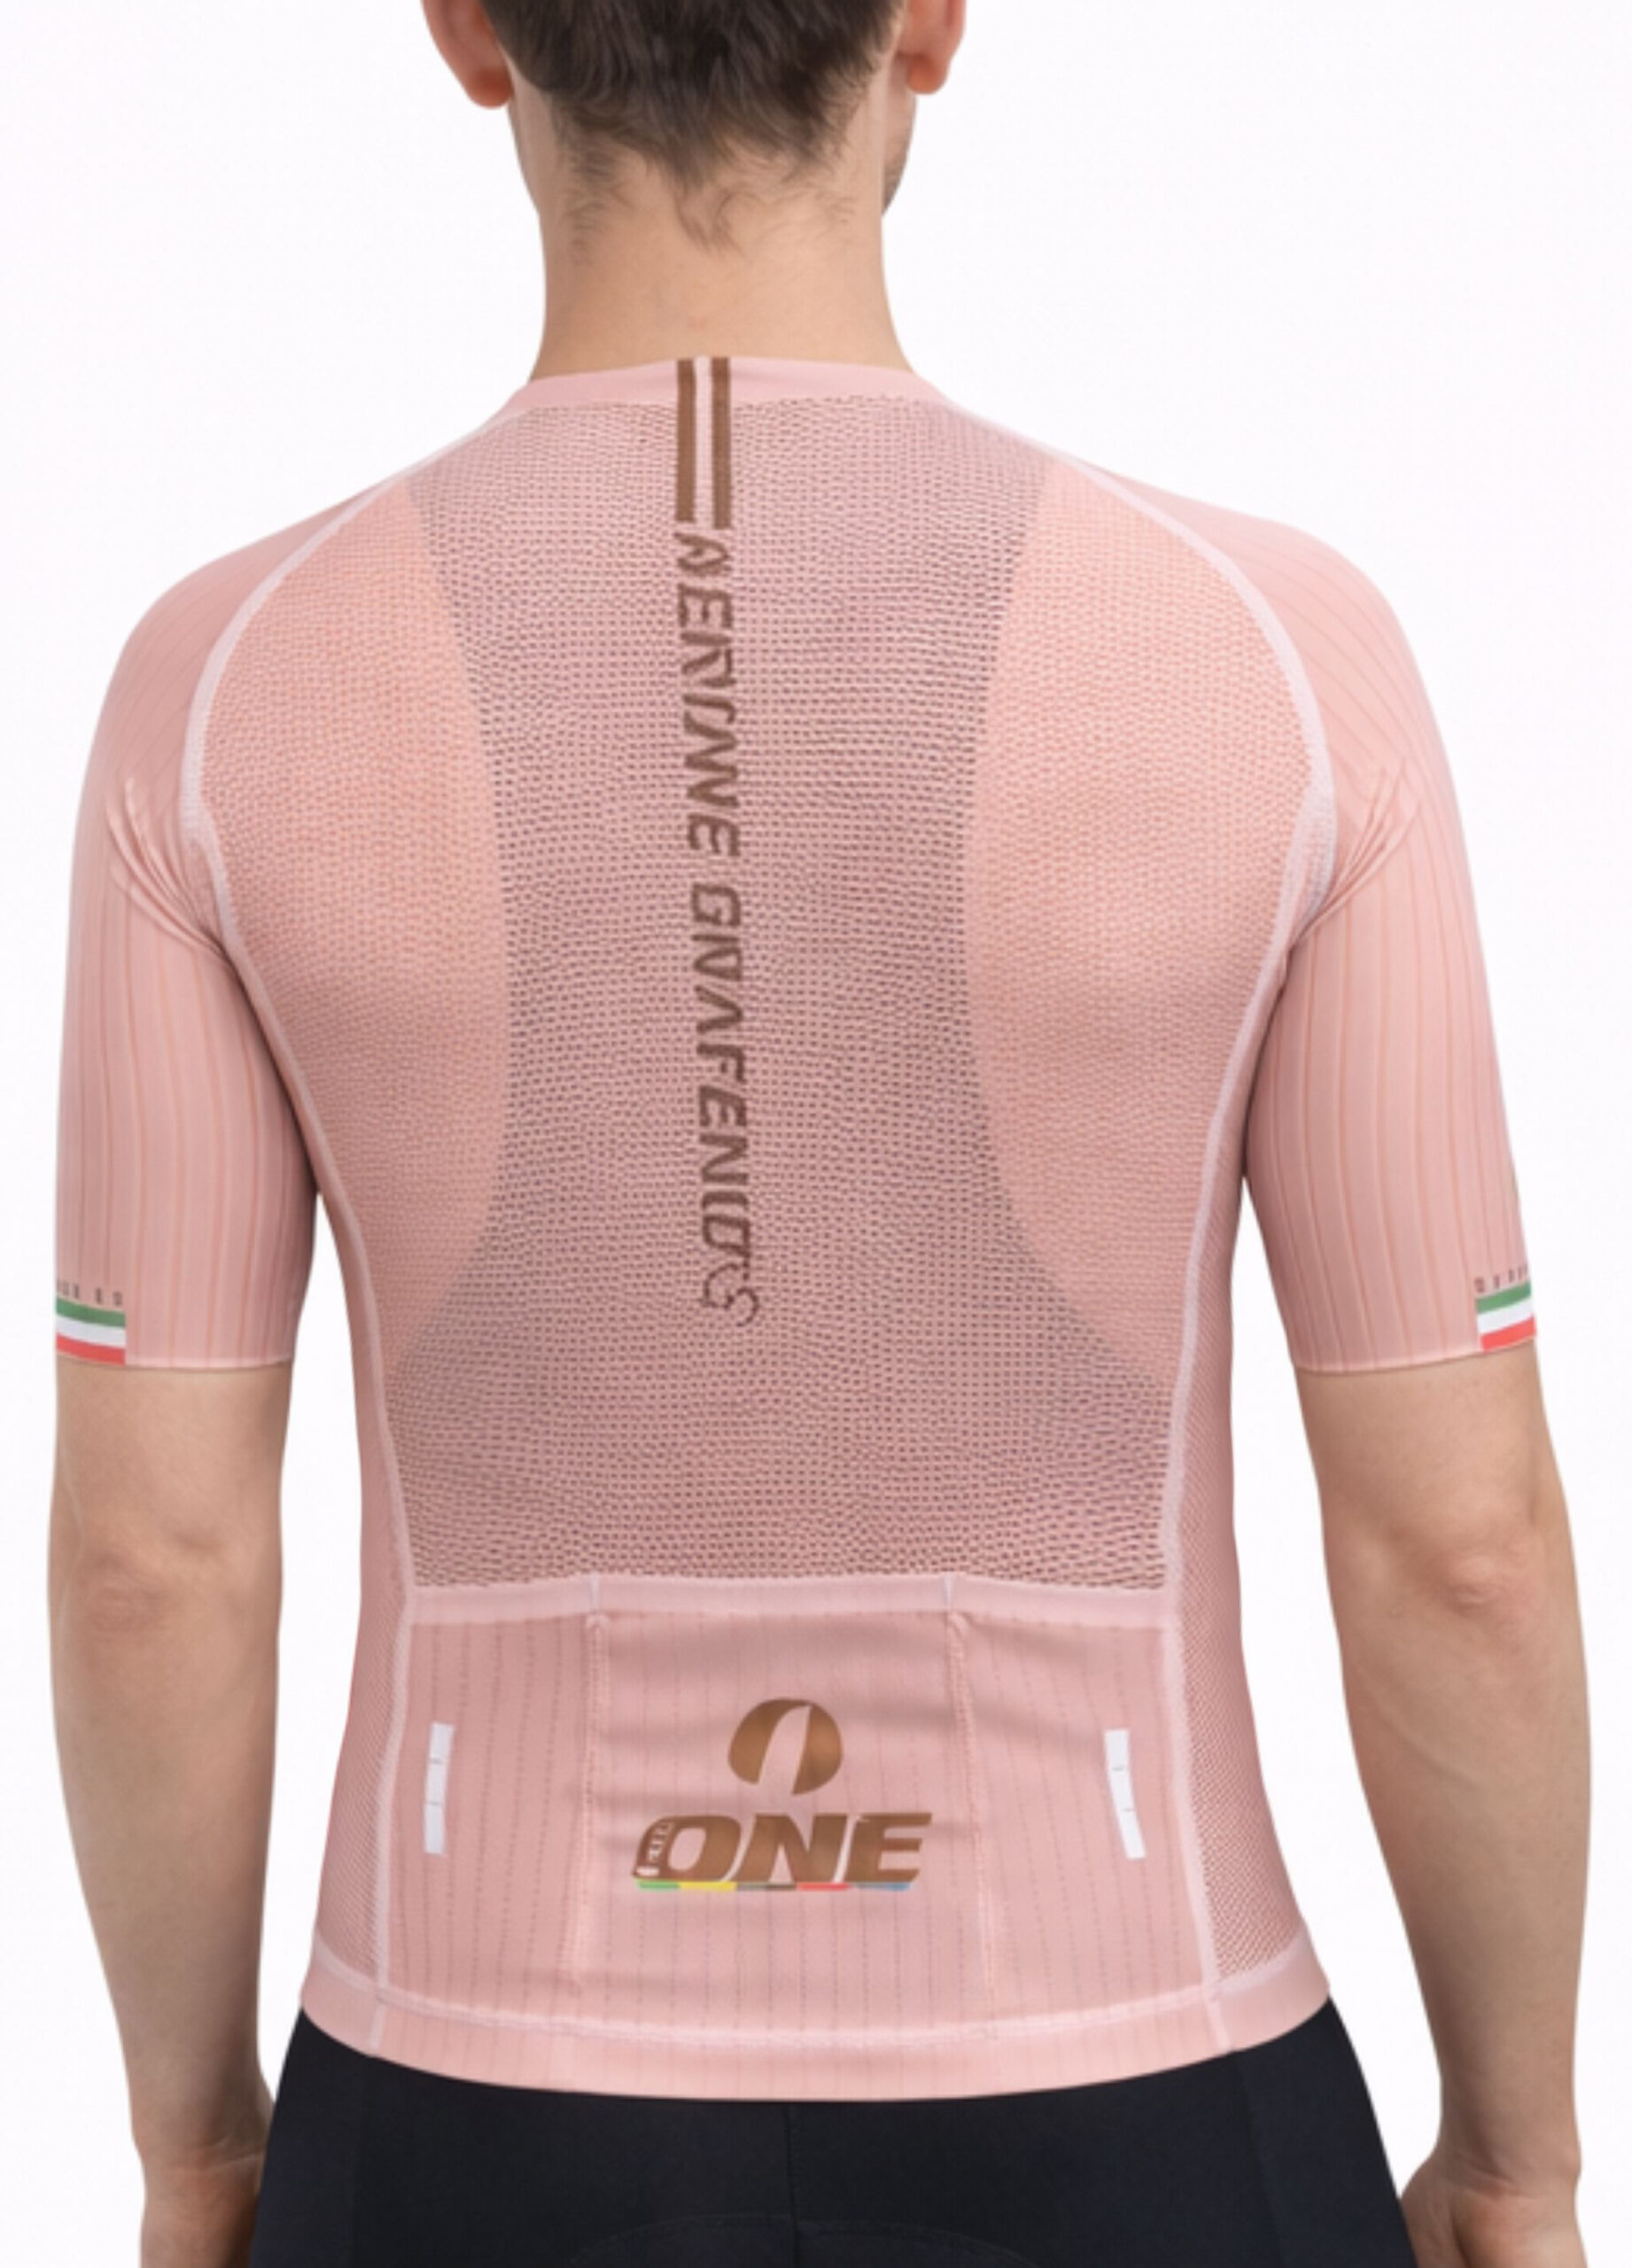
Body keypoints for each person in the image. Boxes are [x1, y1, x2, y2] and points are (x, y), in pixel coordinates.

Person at [46, 1, 1590, 2263]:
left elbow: (151, 1562)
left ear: (467, 31)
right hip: (1149, 2088)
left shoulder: (221, 688)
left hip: (472, 2104)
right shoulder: (1281, 660)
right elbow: (1464, 1545)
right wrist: (1519, 2159)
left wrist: (196, 2153)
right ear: (931, 21)